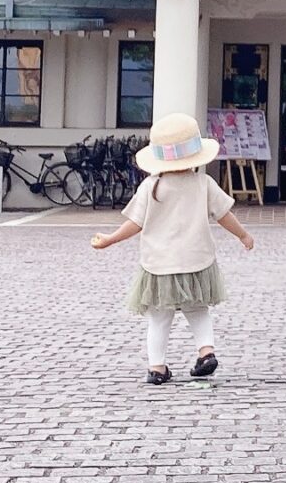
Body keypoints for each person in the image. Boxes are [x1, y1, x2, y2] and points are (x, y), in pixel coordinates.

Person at [90, 111, 255, 386]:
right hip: (197, 260)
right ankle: (206, 352)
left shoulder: (151, 186)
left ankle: (157, 368)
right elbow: (225, 215)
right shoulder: (203, 184)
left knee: (159, 316)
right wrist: (243, 235)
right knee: (197, 309)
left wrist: (110, 239)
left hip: (159, 263)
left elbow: (135, 223)